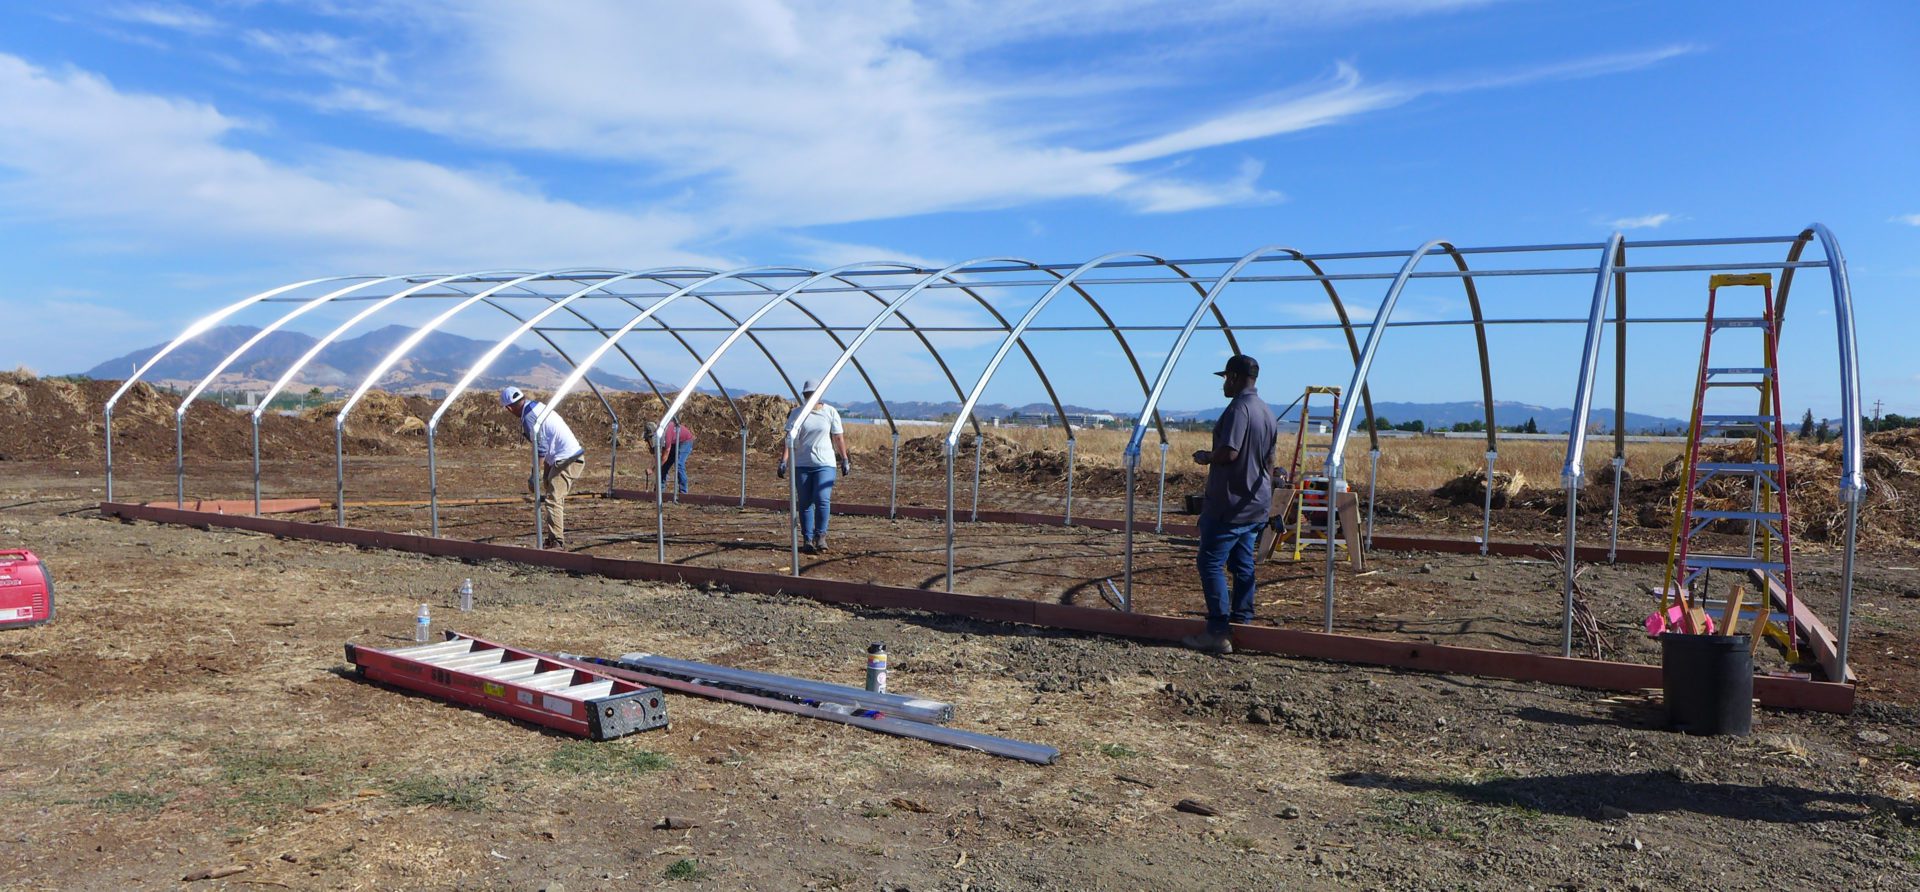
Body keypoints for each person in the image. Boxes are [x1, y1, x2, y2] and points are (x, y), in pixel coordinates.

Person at [1183, 354, 1278, 654]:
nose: (1224, 383)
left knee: (1210, 562)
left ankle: (1217, 630)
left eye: (1226, 377)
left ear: (1236, 378)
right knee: (1243, 564)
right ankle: (1243, 623)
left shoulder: (1239, 409)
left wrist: (1206, 457)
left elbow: (1230, 452)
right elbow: (1272, 462)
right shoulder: (1266, 411)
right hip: (1255, 502)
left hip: (1229, 504)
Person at [501, 386, 585, 550]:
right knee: (551, 493)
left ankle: (557, 542)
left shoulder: (529, 418)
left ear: (509, 408)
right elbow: (547, 445)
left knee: (553, 500)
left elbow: (541, 448)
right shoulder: (536, 407)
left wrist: (535, 475)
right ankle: (552, 538)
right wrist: (545, 476)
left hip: (568, 459)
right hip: (563, 457)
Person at [779, 380, 851, 554]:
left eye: (812, 394)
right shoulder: (797, 414)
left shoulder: (830, 412)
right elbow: (790, 440)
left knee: (822, 498)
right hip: (802, 464)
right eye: (806, 394)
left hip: (825, 463)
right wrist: (784, 461)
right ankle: (808, 539)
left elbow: (838, 437)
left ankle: (821, 536)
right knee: (804, 502)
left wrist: (844, 459)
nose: (809, 397)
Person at [648, 419, 696, 496]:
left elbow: (664, 457)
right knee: (664, 466)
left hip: (685, 441)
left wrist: (652, 469)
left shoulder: (666, 434)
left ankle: (683, 493)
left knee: (679, 464)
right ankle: (659, 492)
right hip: (674, 441)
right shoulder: (659, 432)